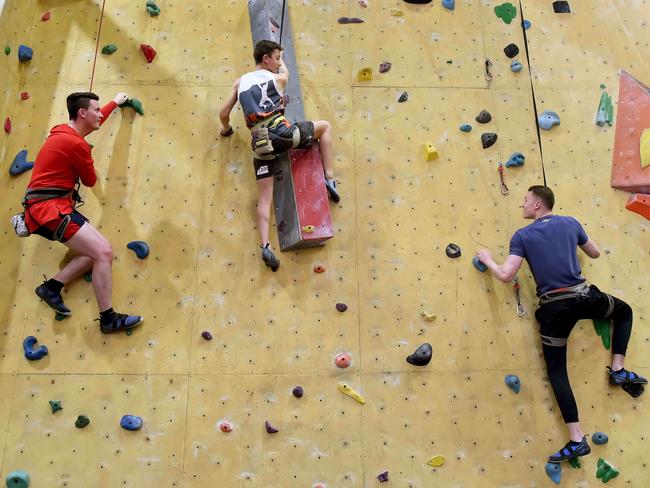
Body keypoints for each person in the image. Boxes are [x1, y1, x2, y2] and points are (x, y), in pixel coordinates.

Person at [475, 185, 646, 463]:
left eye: (526, 200)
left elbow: (506, 275)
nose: (523, 204)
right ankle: (618, 369)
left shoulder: (522, 236)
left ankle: (577, 438)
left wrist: (487, 260)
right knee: (624, 312)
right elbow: (595, 253)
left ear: (538, 206)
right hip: (583, 298)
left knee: (557, 371)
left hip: (554, 309)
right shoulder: (570, 222)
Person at [22, 91, 143, 334]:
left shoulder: (64, 134)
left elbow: (92, 126)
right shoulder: (75, 144)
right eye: (96, 110)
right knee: (104, 252)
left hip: (46, 208)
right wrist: (85, 158)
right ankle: (108, 318)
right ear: (82, 113)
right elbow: (89, 180)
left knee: (94, 253)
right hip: (50, 210)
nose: (100, 114)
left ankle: (52, 288)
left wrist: (114, 103)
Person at [218, 40, 340, 271]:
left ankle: (265, 245)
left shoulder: (240, 82)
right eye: (276, 57)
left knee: (264, 198)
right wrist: (283, 64)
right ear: (266, 59)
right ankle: (331, 179)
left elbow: (223, 113)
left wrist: (226, 130)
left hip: (260, 144)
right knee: (324, 127)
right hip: (283, 134)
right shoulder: (277, 78)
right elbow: (286, 74)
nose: (278, 62)